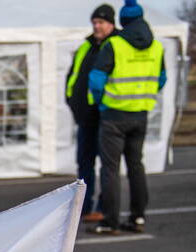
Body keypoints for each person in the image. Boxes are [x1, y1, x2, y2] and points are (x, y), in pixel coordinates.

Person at [88, 0, 166, 235]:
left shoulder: (115, 45)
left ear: (122, 21)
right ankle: (138, 217)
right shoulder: (156, 47)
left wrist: (102, 101)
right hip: (140, 114)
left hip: (114, 114)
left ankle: (110, 221)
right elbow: (161, 79)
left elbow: (96, 79)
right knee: (136, 166)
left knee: (110, 169)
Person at [66, 4, 117, 223]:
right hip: (85, 117)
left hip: (106, 117)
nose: (97, 26)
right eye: (95, 22)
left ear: (111, 23)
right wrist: (70, 98)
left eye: (101, 22)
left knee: (108, 166)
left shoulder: (116, 45)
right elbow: (74, 74)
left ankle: (104, 207)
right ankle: (83, 207)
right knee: (84, 163)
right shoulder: (87, 46)